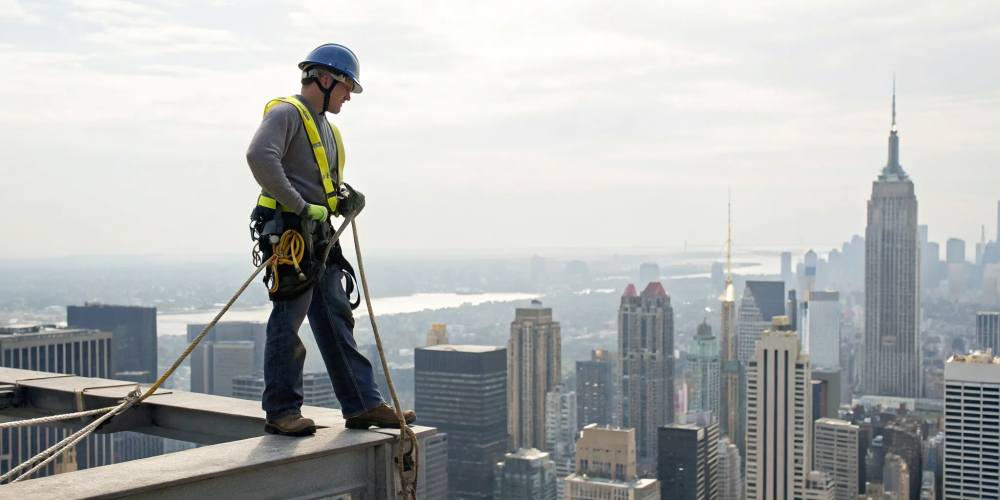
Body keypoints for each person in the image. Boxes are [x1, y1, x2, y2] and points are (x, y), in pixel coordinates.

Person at [246, 43, 416, 436]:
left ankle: (362, 404)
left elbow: (320, 185)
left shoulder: (329, 129)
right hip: (289, 234)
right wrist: (301, 207)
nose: (347, 98)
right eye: (345, 89)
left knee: (335, 315)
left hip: (317, 236)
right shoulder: (287, 113)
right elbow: (259, 157)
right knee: (289, 318)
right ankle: (282, 410)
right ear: (326, 79)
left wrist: (340, 200)